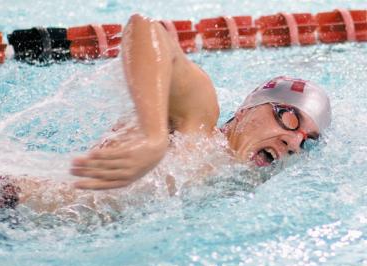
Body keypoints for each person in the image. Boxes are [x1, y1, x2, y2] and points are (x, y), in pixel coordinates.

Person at [69, 14, 331, 190]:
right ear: (245, 110)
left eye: (307, 140)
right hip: (31, 207)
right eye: (289, 117)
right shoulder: (197, 125)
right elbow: (145, 29)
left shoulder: (234, 185)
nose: (294, 143)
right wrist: (153, 137)